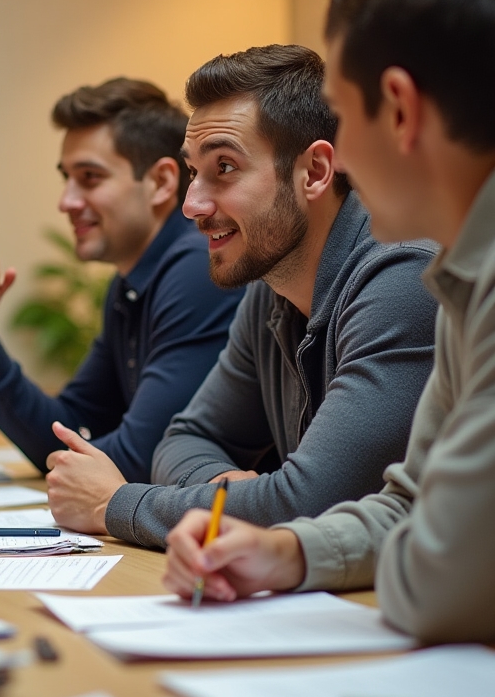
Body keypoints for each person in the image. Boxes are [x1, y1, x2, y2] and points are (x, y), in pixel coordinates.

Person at [164, 0, 495, 644]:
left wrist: (301, 520)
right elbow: (407, 505)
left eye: (342, 116)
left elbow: (439, 585)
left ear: (400, 110)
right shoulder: (463, 273)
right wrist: (281, 549)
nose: (336, 157)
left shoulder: (428, 274)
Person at [47, 45, 438, 547]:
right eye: (194, 171)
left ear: (315, 172)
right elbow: (183, 439)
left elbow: (308, 503)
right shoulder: (268, 286)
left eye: (225, 168)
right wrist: (221, 492)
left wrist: (113, 504)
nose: (192, 205)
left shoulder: (402, 275)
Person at [0, 78, 243, 482]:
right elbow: (67, 429)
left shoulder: (197, 269)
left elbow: (137, 460)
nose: (66, 201)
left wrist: (68, 457)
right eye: (66, 177)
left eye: (90, 177)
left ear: (161, 182)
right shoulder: (129, 284)